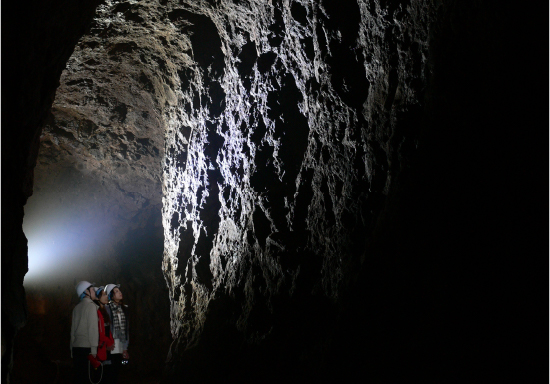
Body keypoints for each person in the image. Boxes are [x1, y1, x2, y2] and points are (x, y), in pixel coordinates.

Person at [71, 280, 99, 384]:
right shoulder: (91, 306)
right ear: (86, 292)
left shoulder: (76, 308)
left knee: (79, 377)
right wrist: (94, 350)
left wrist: (71, 349)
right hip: (87, 348)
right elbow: (92, 329)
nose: (94, 291)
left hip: (76, 348)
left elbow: (72, 331)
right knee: (87, 378)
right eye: (91, 289)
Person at [104, 284, 129, 383]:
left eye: (119, 290)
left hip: (120, 345)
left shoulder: (125, 309)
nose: (120, 293)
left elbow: (126, 330)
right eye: (116, 291)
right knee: (109, 372)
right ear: (111, 295)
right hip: (111, 345)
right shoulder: (106, 309)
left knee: (117, 372)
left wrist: (125, 348)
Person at [94, 286, 115, 382]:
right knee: (102, 375)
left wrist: (111, 342)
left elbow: (108, 329)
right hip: (101, 347)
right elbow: (98, 332)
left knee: (108, 373)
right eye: (103, 295)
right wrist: (108, 342)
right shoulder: (96, 312)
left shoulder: (104, 311)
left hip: (107, 348)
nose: (106, 296)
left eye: (106, 294)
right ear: (98, 298)